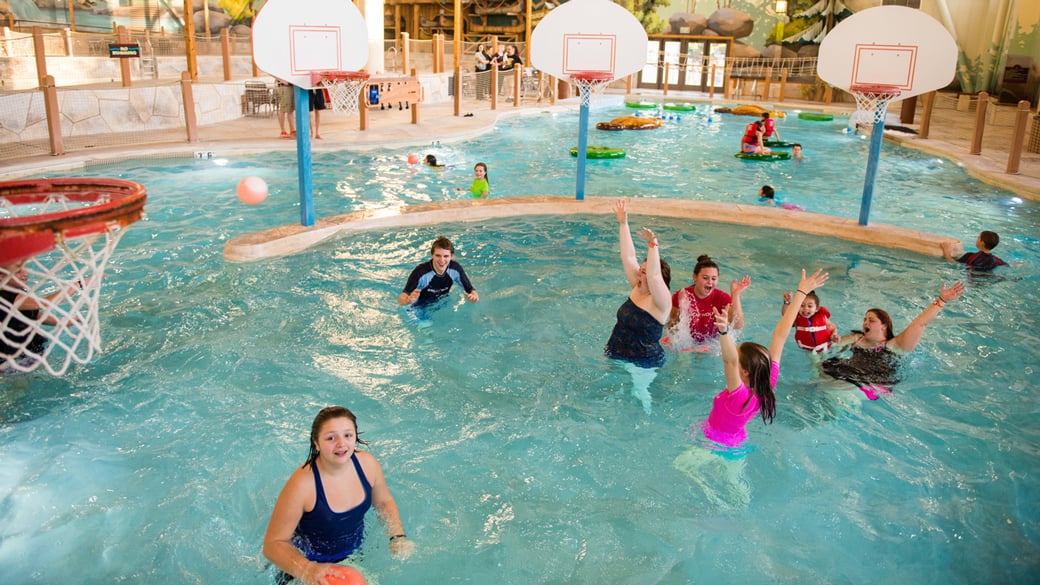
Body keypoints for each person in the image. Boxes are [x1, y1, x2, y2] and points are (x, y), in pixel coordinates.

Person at [263, 407, 414, 585]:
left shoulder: (367, 465)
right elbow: (273, 544)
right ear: (316, 443)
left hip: (353, 556)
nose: (341, 444)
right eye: (331, 438)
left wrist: (397, 536)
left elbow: (383, 502)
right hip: (303, 565)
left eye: (348, 435)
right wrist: (307, 570)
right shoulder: (302, 484)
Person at [700, 269, 831, 447]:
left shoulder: (738, 396)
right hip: (736, 442)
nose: (734, 359)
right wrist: (800, 294)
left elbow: (729, 361)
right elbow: (780, 336)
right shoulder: (766, 385)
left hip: (713, 444)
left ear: (745, 371)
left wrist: (724, 332)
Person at [820, 281, 966, 399]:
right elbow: (827, 344)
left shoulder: (893, 345)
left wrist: (941, 300)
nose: (865, 323)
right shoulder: (857, 338)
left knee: (833, 392)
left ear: (884, 326)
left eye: (871, 320)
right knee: (819, 378)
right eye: (865, 319)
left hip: (873, 385)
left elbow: (919, 324)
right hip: (849, 374)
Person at [604, 199, 672, 414]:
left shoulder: (661, 303)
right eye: (640, 270)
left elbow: (653, 273)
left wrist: (653, 246)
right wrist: (623, 224)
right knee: (611, 394)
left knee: (640, 401)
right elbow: (628, 256)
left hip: (643, 363)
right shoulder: (636, 287)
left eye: (643, 271)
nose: (638, 274)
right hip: (616, 351)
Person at [667, 255, 749, 348]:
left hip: (712, 344)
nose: (710, 282)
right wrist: (683, 313)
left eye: (714, 278)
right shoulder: (682, 296)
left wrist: (735, 295)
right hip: (689, 344)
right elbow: (673, 324)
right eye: (705, 278)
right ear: (695, 277)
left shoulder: (722, 298)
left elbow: (737, 326)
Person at [1, 262, 61, 365]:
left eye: (25, 269)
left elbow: (31, 314)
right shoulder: (5, 298)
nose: (25, 273)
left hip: (29, 349)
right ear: (1, 277)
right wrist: (78, 285)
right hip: (12, 360)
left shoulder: (18, 290)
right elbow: (46, 303)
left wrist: (63, 322)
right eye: (18, 272)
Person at [398, 236, 479, 307]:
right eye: (438, 255)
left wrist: (473, 298)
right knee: (425, 324)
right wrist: (408, 301)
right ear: (432, 255)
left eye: (446, 256)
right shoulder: (420, 272)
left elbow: (472, 291)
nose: (442, 260)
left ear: (452, 256)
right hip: (420, 306)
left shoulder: (455, 269)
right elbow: (401, 300)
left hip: (442, 303)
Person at [941, 230, 1022, 272]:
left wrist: (946, 249)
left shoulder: (971, 256)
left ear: (982, 243)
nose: (977, 239)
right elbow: (1011, 266)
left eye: (978, 238)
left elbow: (952, 263)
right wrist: (1020, 264)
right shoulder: (995, 259)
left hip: (973, 280)